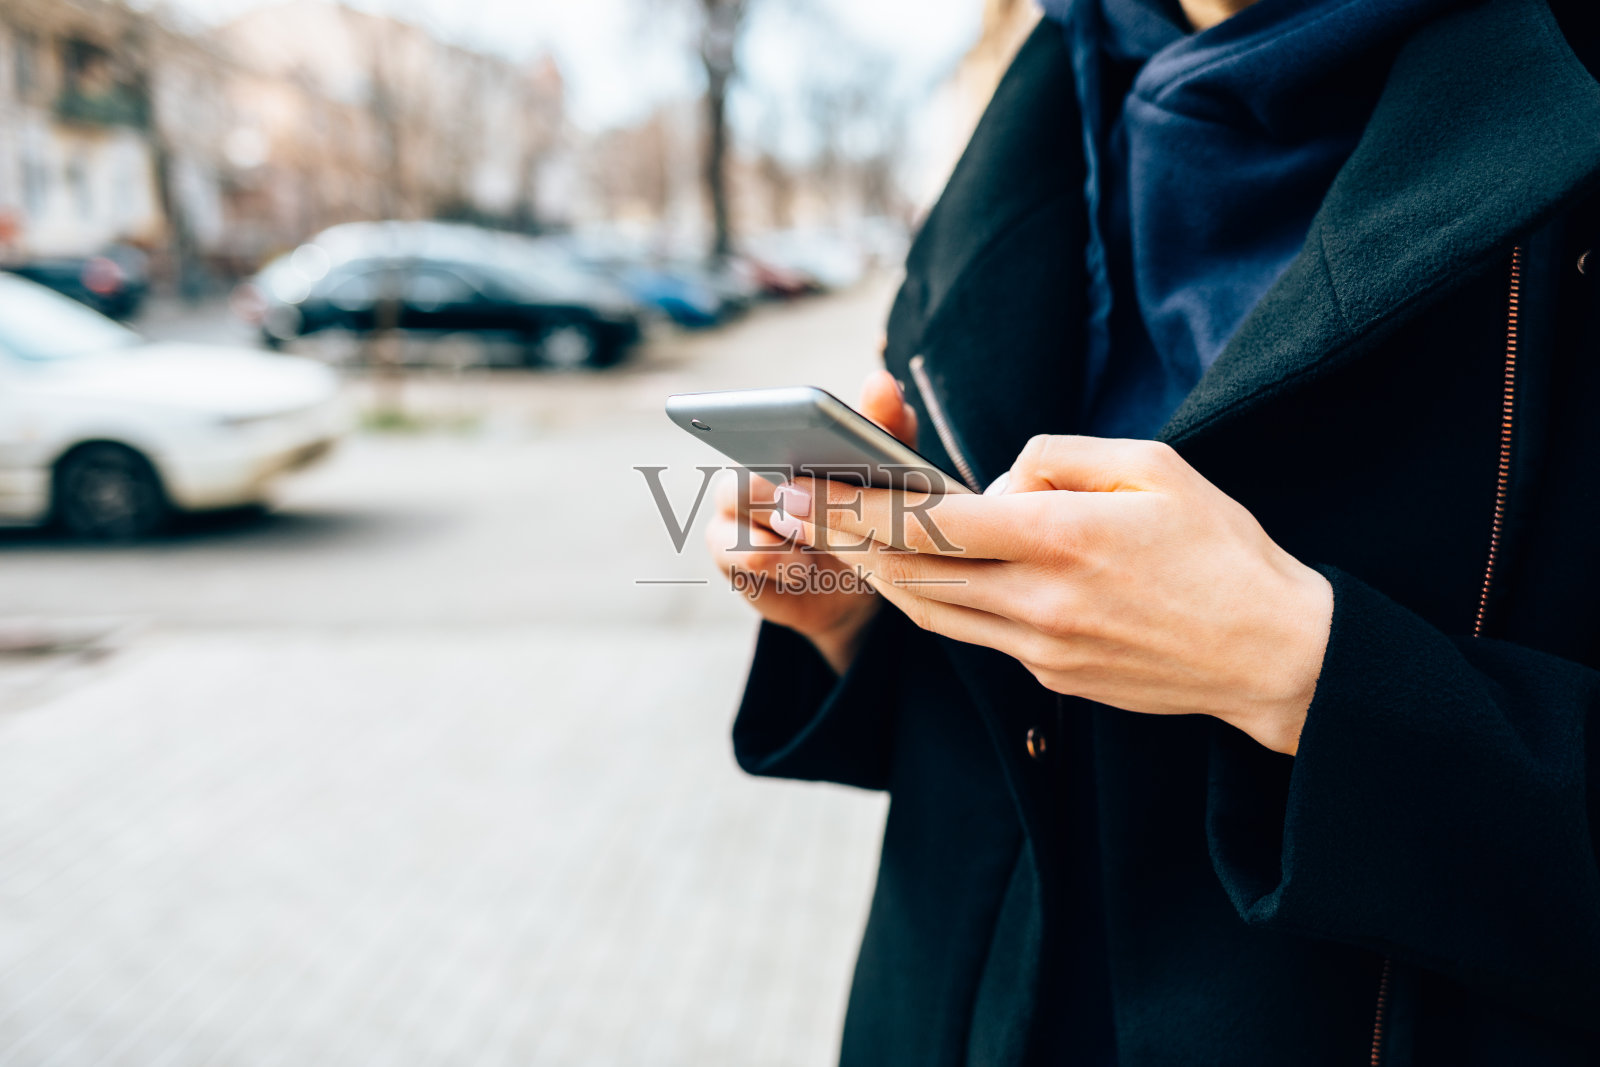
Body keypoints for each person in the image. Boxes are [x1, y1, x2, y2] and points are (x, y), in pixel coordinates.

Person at [706, 0, 1600, 1062]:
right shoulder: (1049, 94)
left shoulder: (1560, 92)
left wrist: (1299, 668)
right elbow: (1005, 746)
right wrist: (853, 619)